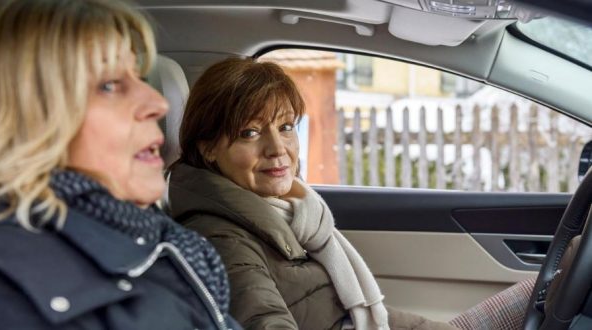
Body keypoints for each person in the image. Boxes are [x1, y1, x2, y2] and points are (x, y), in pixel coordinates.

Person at [0, 1, 240, 329]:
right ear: (19, 123)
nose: (158, 103)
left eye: (138, 77)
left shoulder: (164, 242)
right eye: (108, 85)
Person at [167, 58, 535, 330]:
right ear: (209, 147)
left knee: (550, 284)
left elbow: (342, 310)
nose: (277, 148)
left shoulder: (289, 214)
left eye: (286, 127)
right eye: (250, 132)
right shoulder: (219, 236)